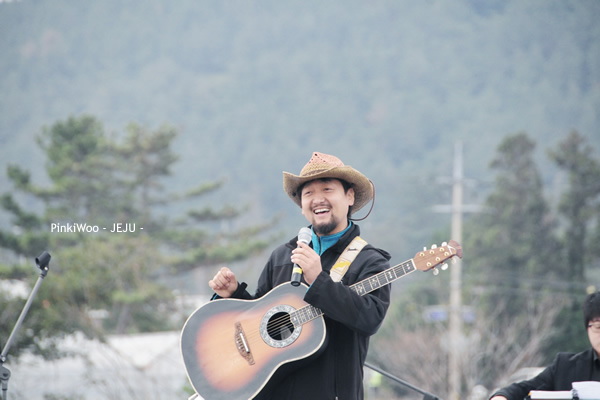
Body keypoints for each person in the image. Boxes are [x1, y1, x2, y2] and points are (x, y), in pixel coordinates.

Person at [209, 152, 392, 400]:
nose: (318, 199)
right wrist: (233, 294)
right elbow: (260, 320)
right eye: (308, 193)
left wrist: (319, 280)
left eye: (327, 189)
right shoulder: (283, 256)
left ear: (349, 196)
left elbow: (370, 319)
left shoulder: (369, 261)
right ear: (302, 206)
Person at [489, 291, 600, 400]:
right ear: (587, 328)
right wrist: (501, 396)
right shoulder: (566, 367)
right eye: (598, 327)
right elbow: (525, 389)